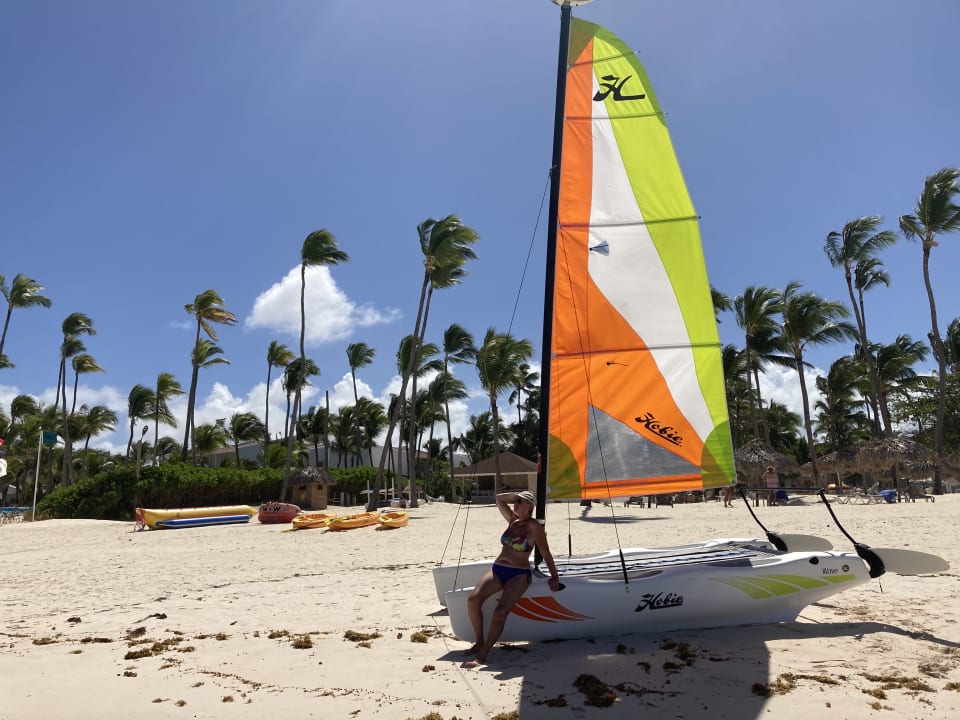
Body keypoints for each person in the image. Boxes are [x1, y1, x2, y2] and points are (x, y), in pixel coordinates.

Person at [464, 490, 560, 666]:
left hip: (518, 574)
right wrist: (515, 494)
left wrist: (555, 576)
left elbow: (545, 552)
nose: (515, 504)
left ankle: (483, 655)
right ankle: (479, 642)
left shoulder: (534, 527)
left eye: (520, 501)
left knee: (500, 612)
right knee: (473, 600)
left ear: (530, 506)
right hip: (498, 569)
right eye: (515, 501)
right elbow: (499, 499)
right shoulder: (512, 520)